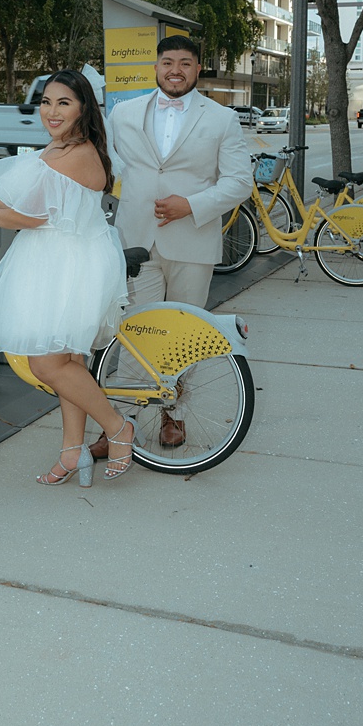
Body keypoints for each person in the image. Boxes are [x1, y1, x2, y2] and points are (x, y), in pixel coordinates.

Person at [0, 69, 134, 484]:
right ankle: (72, 451)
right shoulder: (57, 147)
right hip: (51, 259)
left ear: (83, 108)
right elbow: (27, 199)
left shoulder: (80, 153)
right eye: (46, 102)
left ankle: (118, 428)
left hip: (70, 263)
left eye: (63, 103)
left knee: (47, 363)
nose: (51, 111)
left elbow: (34, 216)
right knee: (68, 360)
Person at [89, 34, 253, 459]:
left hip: (193, 242)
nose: (175, 70)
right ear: (156, 67)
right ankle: (119, 423)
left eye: (184, 62)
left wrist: (191, 205)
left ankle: (174, 414)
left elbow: (239, 183)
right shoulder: (123, 114)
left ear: (198, 69)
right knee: (134, 333)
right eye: (167, 62)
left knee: (185, 335)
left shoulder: (222, 119)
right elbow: (96, 162)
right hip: (136, 241)